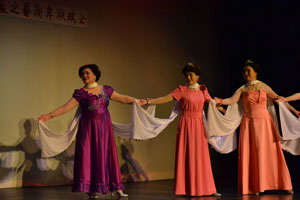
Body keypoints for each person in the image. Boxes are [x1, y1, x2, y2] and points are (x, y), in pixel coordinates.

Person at [38, 64, 146, 199]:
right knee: (88, 157)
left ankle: (116, 188)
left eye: (87, 73)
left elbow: (123, 98)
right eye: (82, 74)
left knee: (108, 156)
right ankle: (91, 190)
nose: (84, 76)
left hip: (104, 129)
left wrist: (137, 101)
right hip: (87, 130)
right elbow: (66, 107)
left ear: (95, 74)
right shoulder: (81, 93)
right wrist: (49, 116)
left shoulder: (106, 90)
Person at [214, 60, 293, 195]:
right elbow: (232, 100)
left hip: (265, 124)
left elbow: (279, 99)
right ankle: (255, 186)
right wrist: (220, 101)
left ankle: (283, 184)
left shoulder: (263, 86)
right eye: (244, 71)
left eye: (248, 71)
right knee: (253, 154)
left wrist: (294, 111)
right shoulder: (243, 89)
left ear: (255, 72)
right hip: (249, 124)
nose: (245, 74)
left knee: (270, 152)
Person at [147, 62, 220, 197]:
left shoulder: (203, 89)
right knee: (187, 155)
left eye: (191, 74)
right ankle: (187, 188)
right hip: (186, 124)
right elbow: (167, 98)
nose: (188, 77)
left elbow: (212, 102)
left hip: (199, 125)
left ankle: (207, 188)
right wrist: (150, 101)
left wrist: (223, 108)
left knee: (201, 156)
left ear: (197, 76)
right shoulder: (182, 89)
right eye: (186, 75)